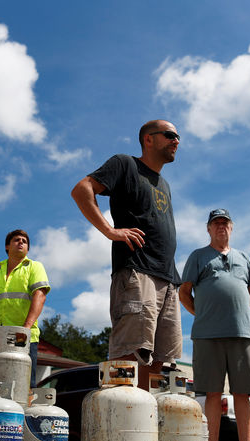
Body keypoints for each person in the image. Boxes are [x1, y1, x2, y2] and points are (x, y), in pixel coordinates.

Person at [71, 120, 182, 390]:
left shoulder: (164, 184)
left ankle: (142, 424)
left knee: (160, 363)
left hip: (167, 280)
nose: (176, 141)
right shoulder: (125, 163)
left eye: (178, 137)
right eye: (169, 135)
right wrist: (110, 230)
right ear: (148, 139)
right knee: (129, 354)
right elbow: (82, 189)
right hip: (136, 272)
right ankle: (118, 423)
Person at [179, 209, 250, 441]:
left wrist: (233, 313)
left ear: (232, 228)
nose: (221, 227)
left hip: (243, 333)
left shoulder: (244, 257)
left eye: (225, 223)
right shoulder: (198, 256)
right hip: (207, 335)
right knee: (212, 394)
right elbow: (184, 293)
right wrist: (205, 313)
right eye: (216, 223)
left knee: (243, 394)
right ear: (208, 229)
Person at [0, 229, 49, 391]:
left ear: (27, 249)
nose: (20, 242)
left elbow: (39, 296)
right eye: (16, 240)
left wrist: (25, 330)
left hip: (23, 336)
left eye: (24, 241)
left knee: (20, 386)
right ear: (7, 246)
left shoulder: (34, 267)